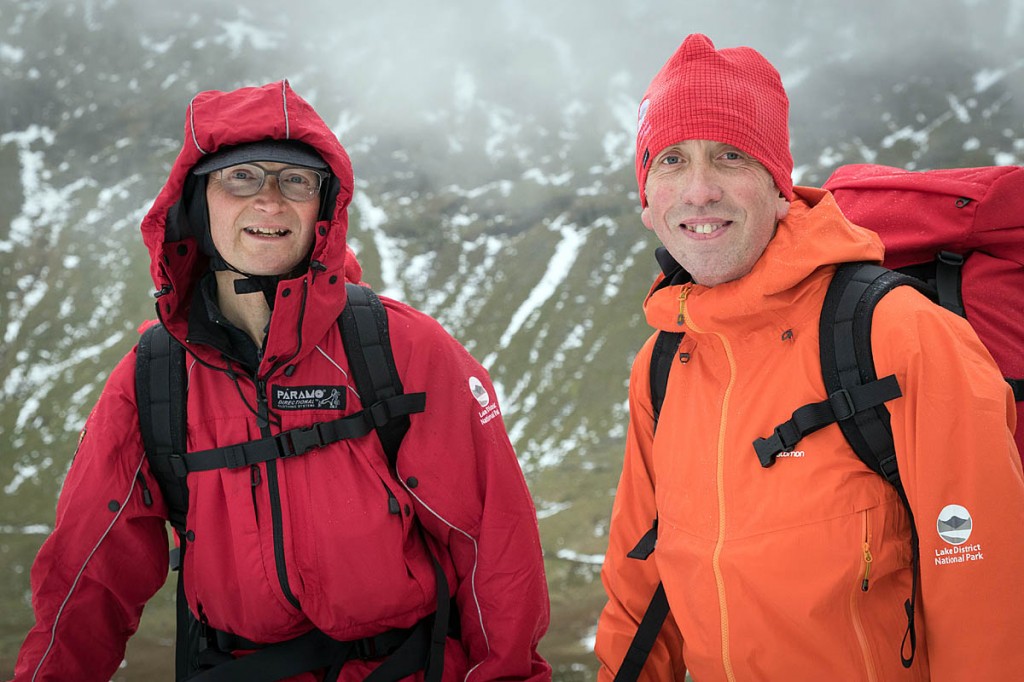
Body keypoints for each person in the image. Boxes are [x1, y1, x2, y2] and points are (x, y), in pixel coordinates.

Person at [10, 81, 551, 682]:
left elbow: (493, 549)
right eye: (240, 177)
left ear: (324, 208)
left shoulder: (406, 350)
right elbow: (89, 575)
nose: (270, 201)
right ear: (196, 202)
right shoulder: (153, 377)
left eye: (296, 181)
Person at [595, 34, 1024, 681]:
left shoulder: (898, 335)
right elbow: (640, 588)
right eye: (673, 160)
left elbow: (987, 607)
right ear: (647, 197)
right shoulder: (661, 365)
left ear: (777, 186)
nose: (700, 190)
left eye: (730, 156)